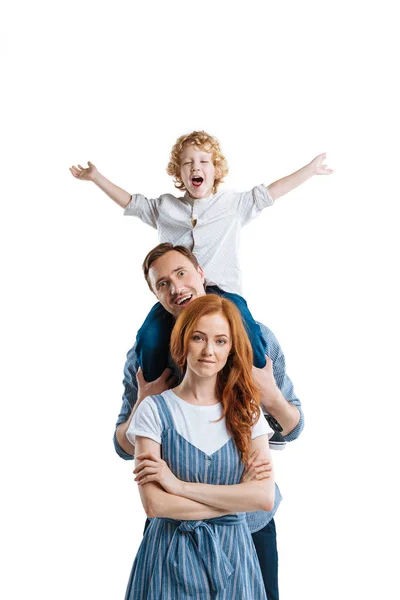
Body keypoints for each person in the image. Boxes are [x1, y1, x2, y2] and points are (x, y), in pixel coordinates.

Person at [114, 243, 304, 600]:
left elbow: (293, 428)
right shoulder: (146, 360)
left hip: (247, 531)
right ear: (156, 295)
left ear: (201, 273)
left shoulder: (256, 342)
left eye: (181, 273)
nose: (176, 288)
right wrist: (142, 402)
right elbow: (124, 449)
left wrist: (271, 396)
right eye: (163, 284)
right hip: (173, 535)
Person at [70, 130, 332, 382]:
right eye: (187, 163)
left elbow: (272, 192)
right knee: (149, 337)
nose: (196, 167)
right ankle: (153, 396)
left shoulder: (233, 205)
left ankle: (265, 388)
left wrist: (310, 169)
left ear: (215, 170)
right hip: (176, 298)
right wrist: (96, 177)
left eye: (203, 161)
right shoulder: (164, 207)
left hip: (221, 295)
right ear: (179, 173)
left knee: (249, 333)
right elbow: (130, 202)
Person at [124, 294, 275, 599]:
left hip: (234, 560)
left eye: (221, 341)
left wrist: (177, 486)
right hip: (168, 559)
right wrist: (234, 501)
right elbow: (156, 505)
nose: (209, 351)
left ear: (231, 348)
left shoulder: (248, 412)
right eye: (198, 338)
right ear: (182, 342)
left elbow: (262, 497)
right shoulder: (153, 411)